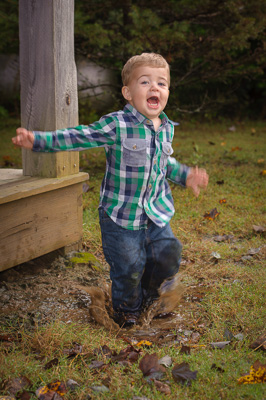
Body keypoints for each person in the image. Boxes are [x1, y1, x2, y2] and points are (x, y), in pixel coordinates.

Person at [12, 53, 208, 327]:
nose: (155, 88)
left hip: (156, 213)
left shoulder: (165, 127)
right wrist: (39, 141)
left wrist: (185, 175)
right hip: (121, 217)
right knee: (128, 267)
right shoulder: (116, 124)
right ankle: (127, 309)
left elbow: (164, 162)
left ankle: (150, 297)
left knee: (168, 253)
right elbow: (79, 135)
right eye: (145, 82)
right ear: (128, 92)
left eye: (161, 83)